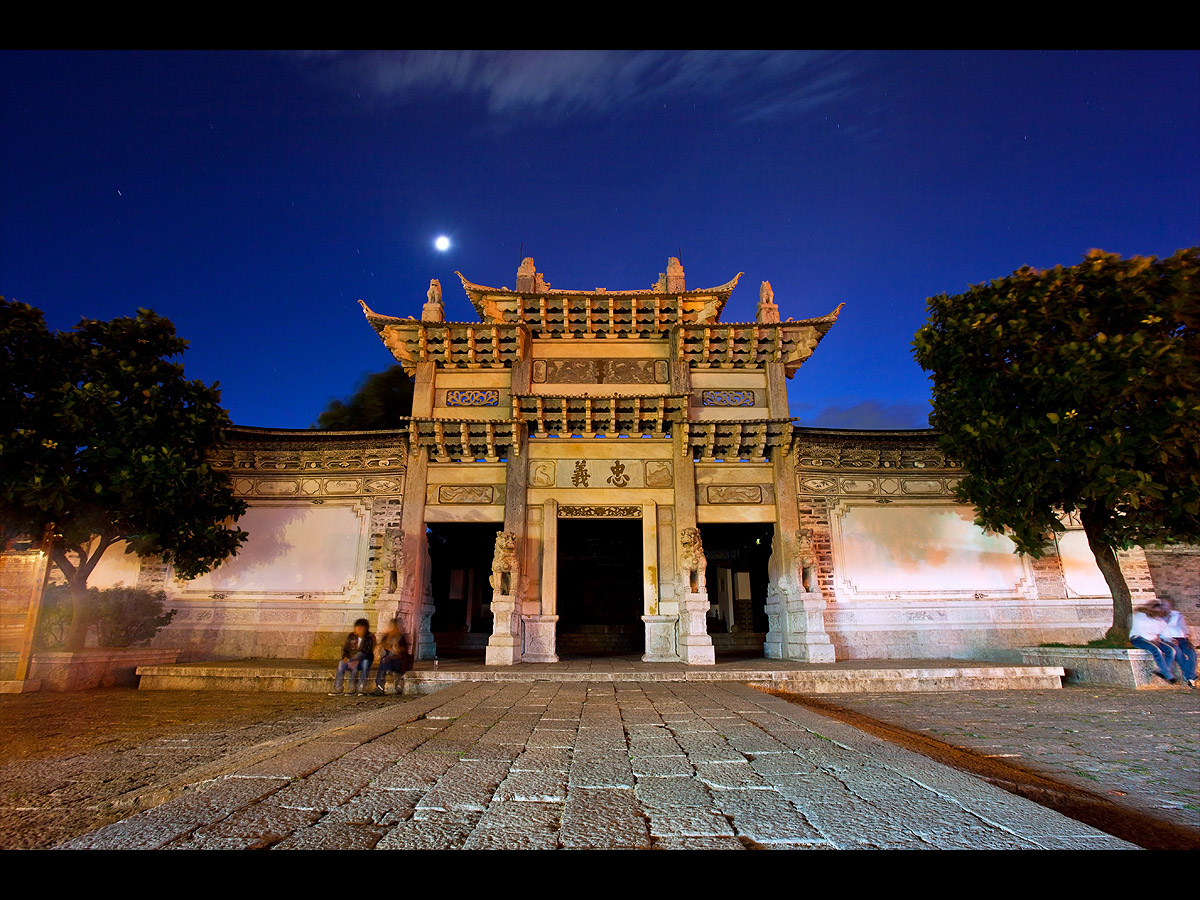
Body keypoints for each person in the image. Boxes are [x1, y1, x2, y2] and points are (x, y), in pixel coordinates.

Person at [1129, 602, 1177, 685]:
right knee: (1156, 650)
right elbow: (1140, 629)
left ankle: (1163, 671)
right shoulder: (1141, 615)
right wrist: (1152, 639)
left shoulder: (1160, 621)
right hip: (1138, 638)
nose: (1157, 613)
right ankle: (1168, 675)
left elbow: (1165, 633)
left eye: (1159, 612)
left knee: (1171, 651)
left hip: (1153, 640)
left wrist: (1171, 640)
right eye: (1155, 611)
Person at [330, 618, 375, 696]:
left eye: (361, 628)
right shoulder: (351, 636)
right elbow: (346, 648)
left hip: (363, 659)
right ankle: (338, 687)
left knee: (364, 662)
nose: (359, 630)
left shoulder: (369, 637)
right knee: (341, 663)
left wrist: (355, 659)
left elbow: (367, 652)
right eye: (357, 628)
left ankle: (361, 687)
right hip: (351, 660)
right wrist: (345, 657)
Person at [1159, 599, 1197, 689]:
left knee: (1191, 652)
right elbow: (1161, 631)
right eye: (1163, 605)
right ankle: (1190, 677)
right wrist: (1170, 639)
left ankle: (1190, 676)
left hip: (1181, 638)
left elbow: (1183, 627)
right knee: (1177, 652)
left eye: (1167, 605)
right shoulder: (1158, 617)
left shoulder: (1177, 615)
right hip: (1167, 639)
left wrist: (1187, 637)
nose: (1165, 607)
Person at [372, 618, 410, 695]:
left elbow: (402, 653)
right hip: (387, 661)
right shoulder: (386, 637)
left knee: (384, 662)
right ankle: (381, 684)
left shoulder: (401, 638)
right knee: (384, 658)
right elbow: (380, 649)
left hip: (398, 662)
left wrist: (392, 653)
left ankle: (380, 686)